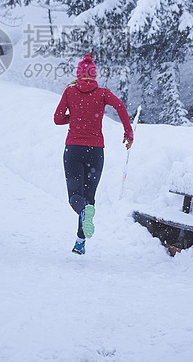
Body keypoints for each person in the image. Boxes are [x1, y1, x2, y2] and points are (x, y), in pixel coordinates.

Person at [54, 53, 134, 255]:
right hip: (95, 152)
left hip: (73, 150)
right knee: (89, 197)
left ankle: (82, 214)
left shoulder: (70, 92)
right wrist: (128, 132)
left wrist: (73, 119)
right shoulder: (103, 93)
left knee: (75, 195)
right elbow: (120, 106)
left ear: (78, 75)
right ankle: (80, 242)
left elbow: (57, 119)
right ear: (94, 76)